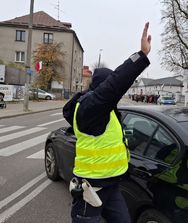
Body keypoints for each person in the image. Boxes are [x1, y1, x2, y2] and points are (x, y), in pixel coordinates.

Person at [65, 22, 151, 223]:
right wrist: (141, 55)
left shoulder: (106, 111)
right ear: (100, 88)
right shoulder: (90, 107)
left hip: (111, 185)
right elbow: (116, 84)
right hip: (92, 188)